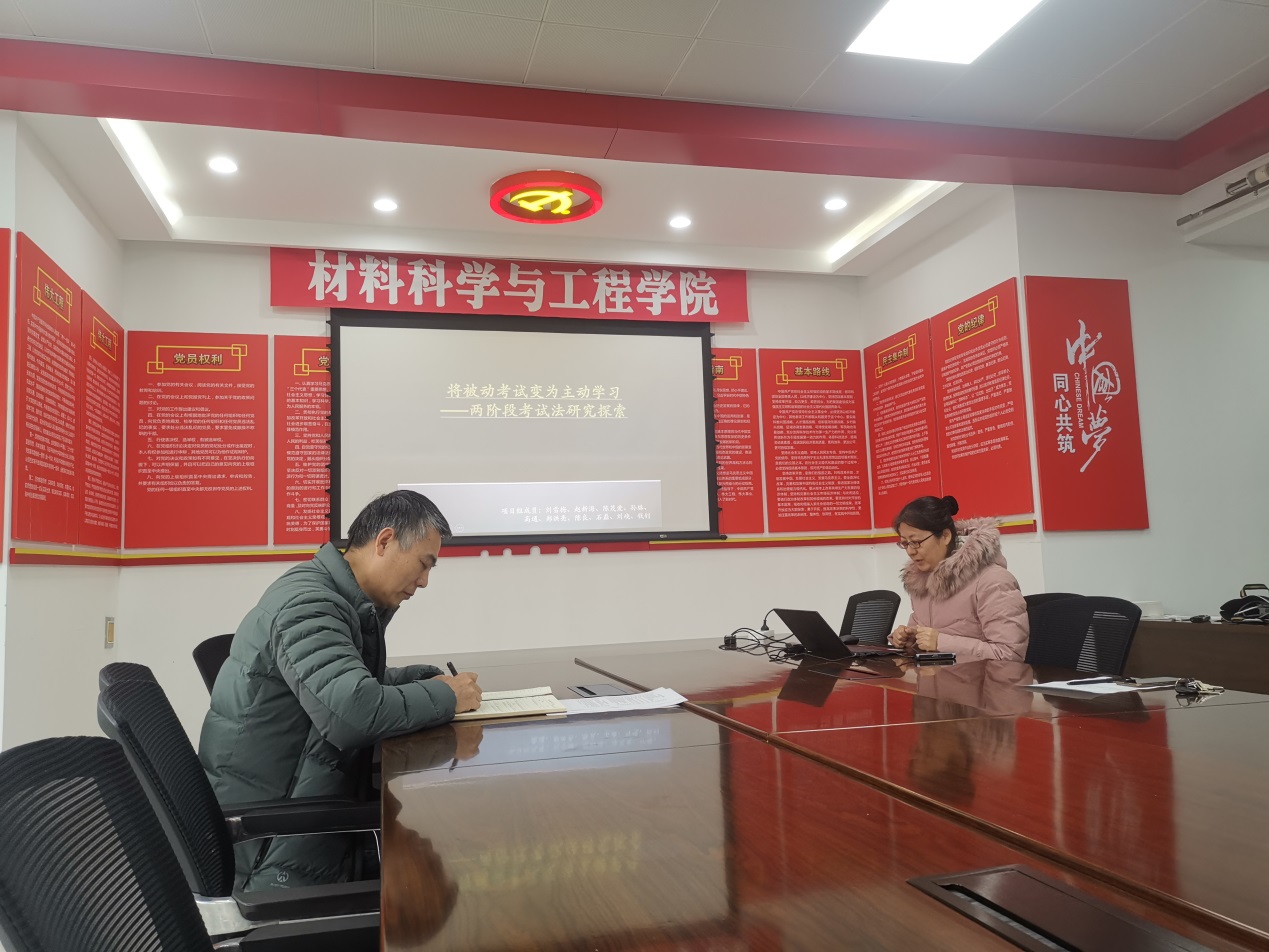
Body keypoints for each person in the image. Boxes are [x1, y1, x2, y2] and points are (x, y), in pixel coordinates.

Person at [198, 490, 482, 890]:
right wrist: (447, 698)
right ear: (384, 541)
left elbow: (344, 686)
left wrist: (423, 680)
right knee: (455, 863)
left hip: (300, 807)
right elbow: (352, 714)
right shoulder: (310, 603)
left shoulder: (334, 595)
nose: (424, 581)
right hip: (274, 844)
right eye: (424, 563)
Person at [888, 494, 1029, 662]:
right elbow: (925, 640)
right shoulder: (921, 581)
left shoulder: (993, 581)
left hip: (981, 679)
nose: (910, 551)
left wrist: (941, 642)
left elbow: (1009, 655)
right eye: (905, 543)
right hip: (936, 677)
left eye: (916, 542)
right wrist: (910, 640)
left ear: (945, 536)